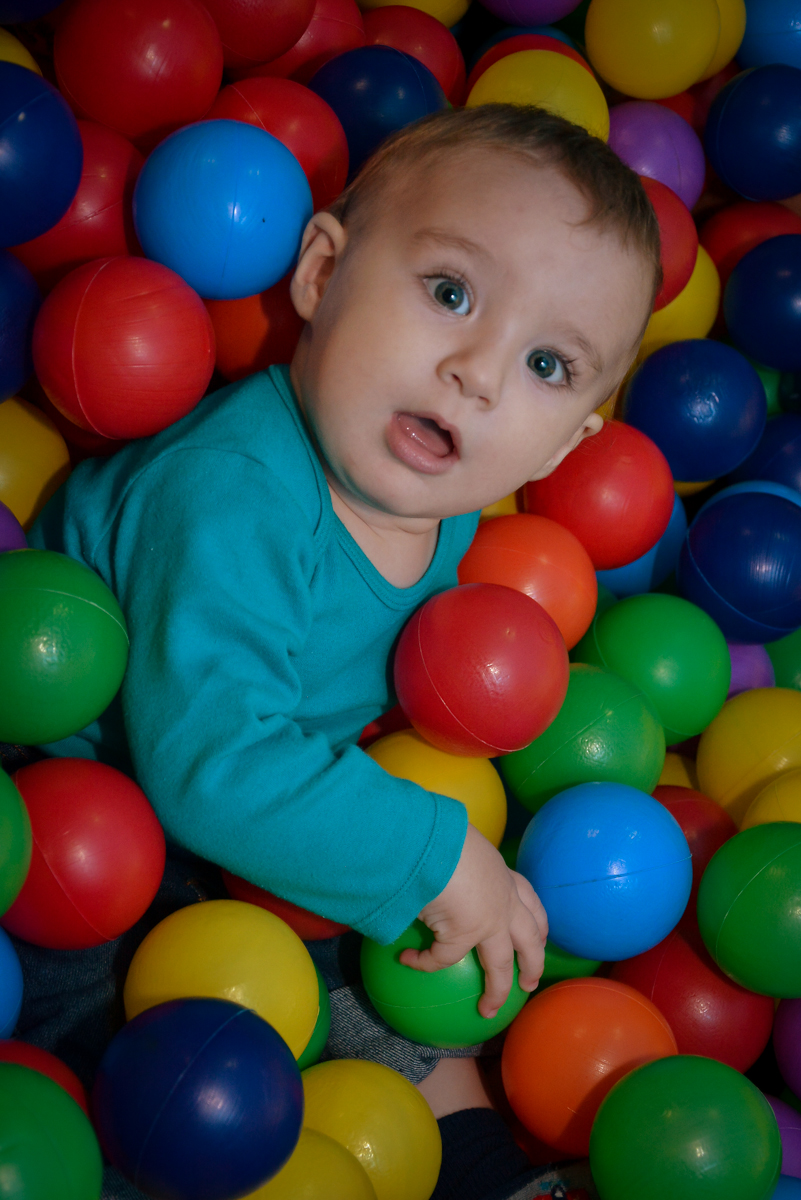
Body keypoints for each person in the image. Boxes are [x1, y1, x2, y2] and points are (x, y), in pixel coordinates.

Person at [18, 104, 660, 1200]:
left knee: (415, 988)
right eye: (450, 293)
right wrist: (436, 854)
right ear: (321, 273)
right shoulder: (234, 495)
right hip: (82, 804)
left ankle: (488, 1171)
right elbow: (211, 764)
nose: (477, 372)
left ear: (564, 444)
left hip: (258, 805)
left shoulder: (439, 488)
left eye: (549, 363)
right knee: (119, 1039)